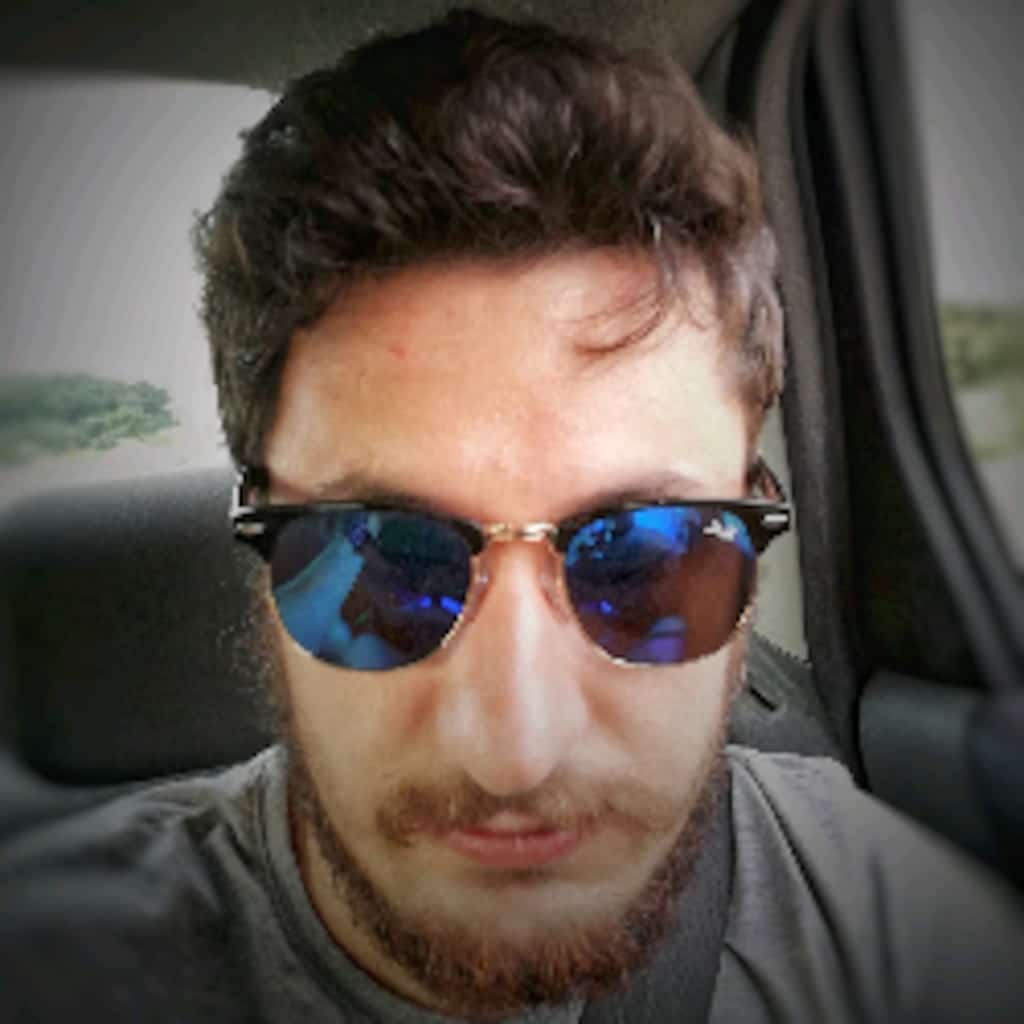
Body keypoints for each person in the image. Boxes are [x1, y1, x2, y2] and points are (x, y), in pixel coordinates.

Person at [1, 8, 1022, 1023]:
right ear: (261, 559)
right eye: (386, 561)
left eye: (643, 561)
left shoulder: (903, 938)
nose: (515, 753)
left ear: (754, 533)